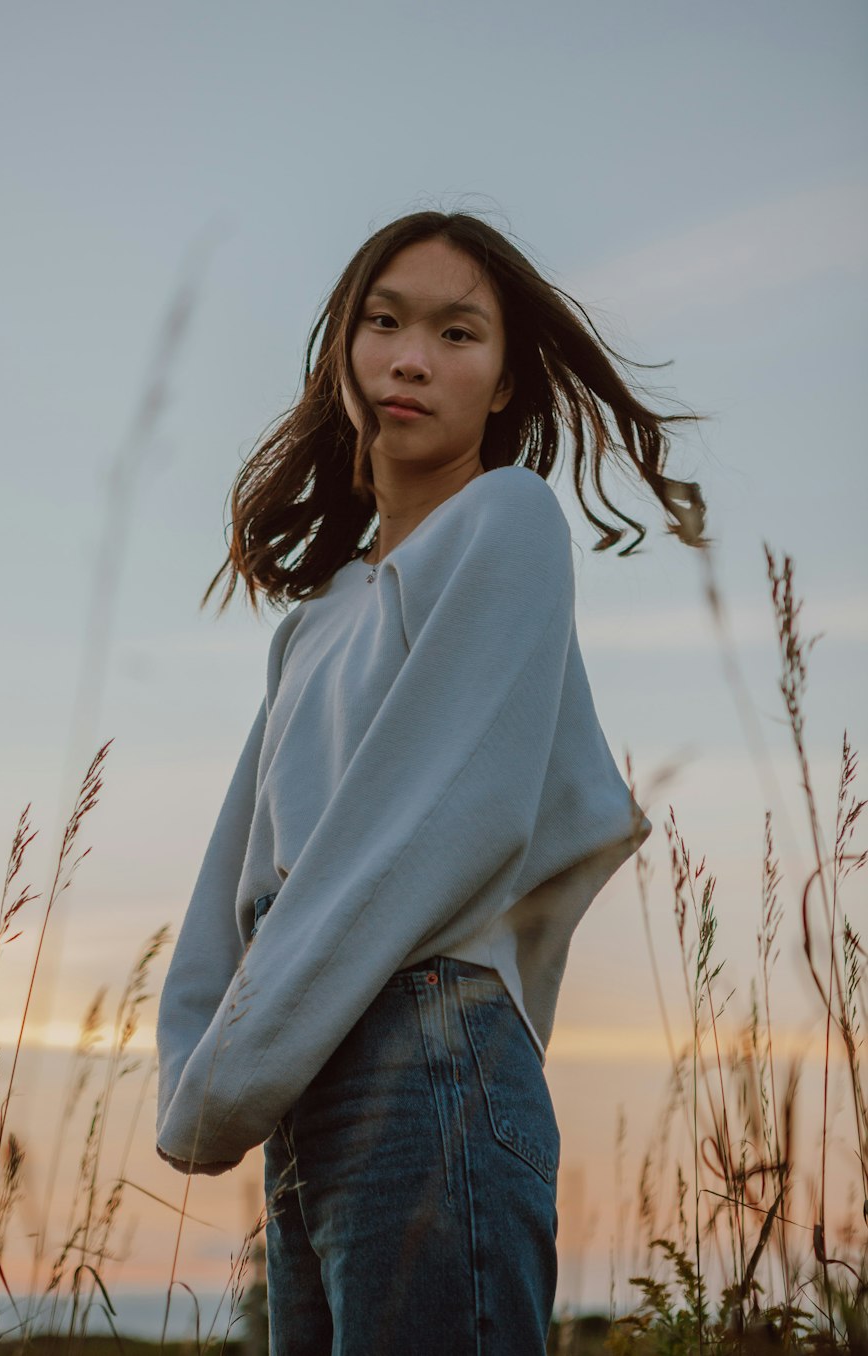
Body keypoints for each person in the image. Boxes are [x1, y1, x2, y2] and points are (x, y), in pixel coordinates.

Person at [154, 209, 708, 1355]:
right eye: (384, 322)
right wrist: (200, 1068)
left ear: (504, 383)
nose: (411, 357)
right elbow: (237, 884)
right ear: (345, 354)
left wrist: (237, 1070)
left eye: (458, 334)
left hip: (427, 1050)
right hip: (307, 1070)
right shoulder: (316, 623)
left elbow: (444, 825)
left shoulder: (505, 521)